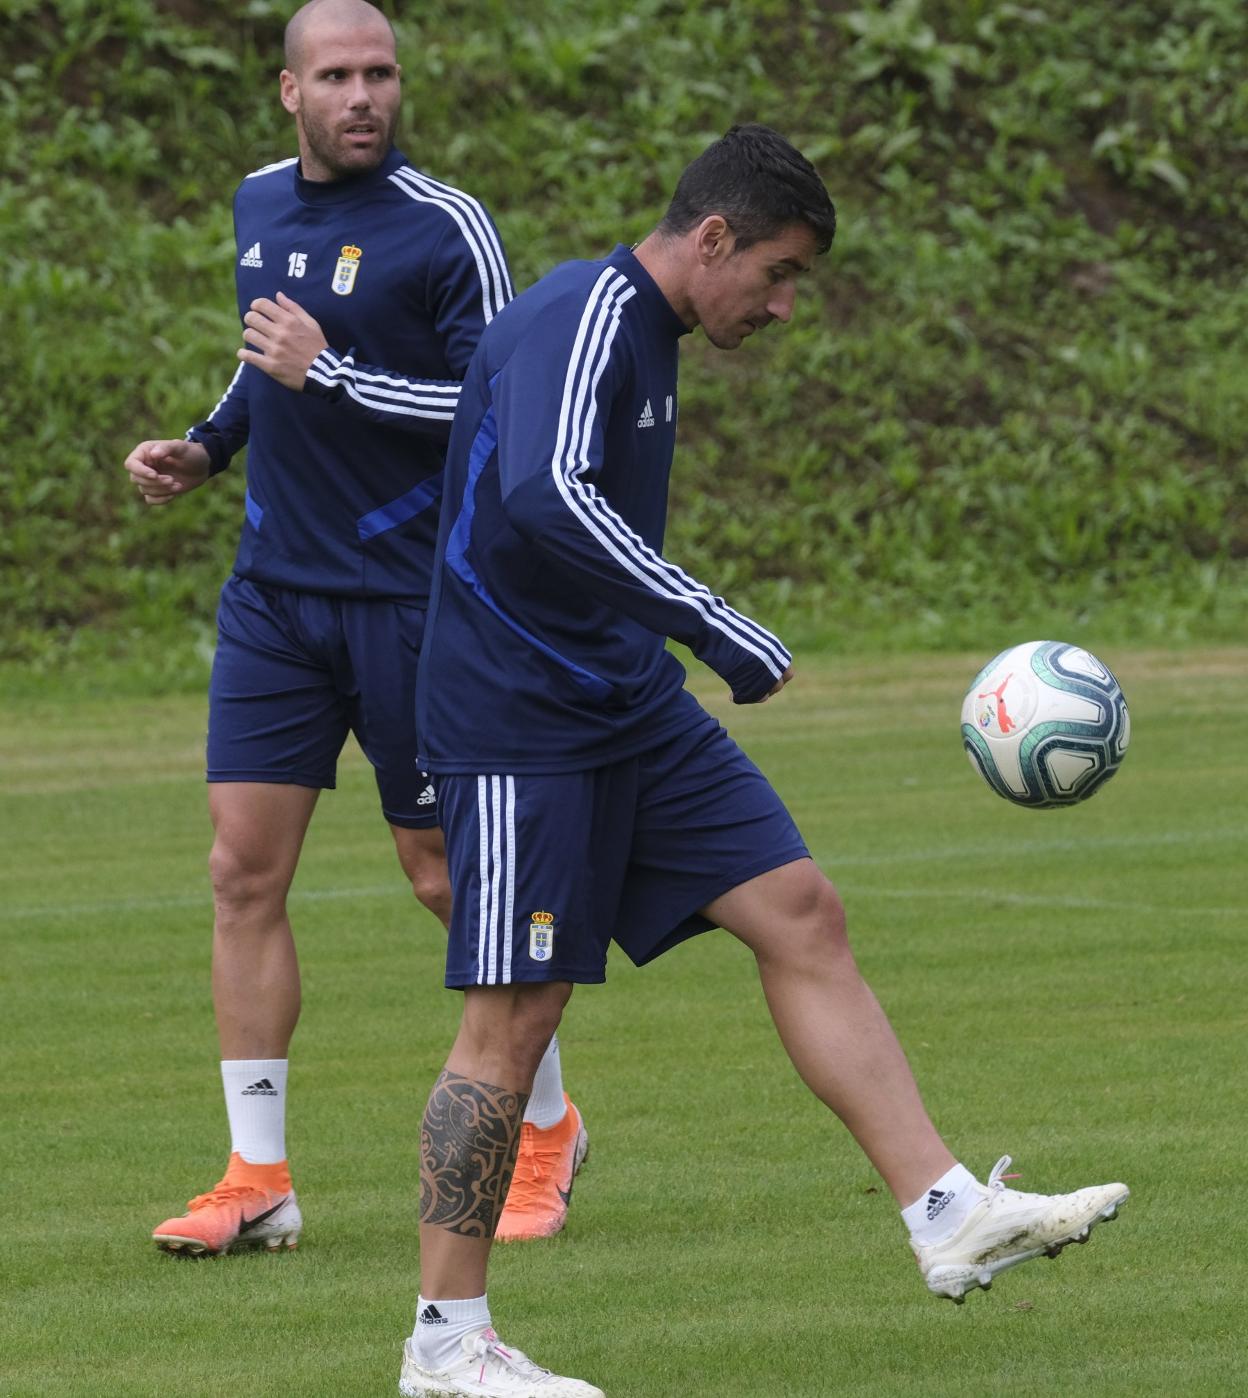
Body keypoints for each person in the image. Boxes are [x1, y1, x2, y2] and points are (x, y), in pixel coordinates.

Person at [398, 124, 1129, 1396]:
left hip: (622, 696)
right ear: (714, 238)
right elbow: (546, 497)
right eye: (779, 274)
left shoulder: (650, 334)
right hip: (519, 717)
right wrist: (713, 619)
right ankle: (446, 1348)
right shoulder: (586, 312)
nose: (785, 306)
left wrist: (666, 639)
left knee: (800, 909)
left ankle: (944, 1211)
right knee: (509, 1027)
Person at [121, 0, 586, 1258]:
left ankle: (544, 1128)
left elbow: (499, 411)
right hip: (276, 596)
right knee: (240, 873)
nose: (364, 95)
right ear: (289, 91)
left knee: (444, 879)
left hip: (412, 600)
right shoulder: (259, 204)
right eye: (337, 75)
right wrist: (210, 445)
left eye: (381, 72)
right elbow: (263, 356)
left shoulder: (447, 228)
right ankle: (256, 1175)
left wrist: (329, 373)